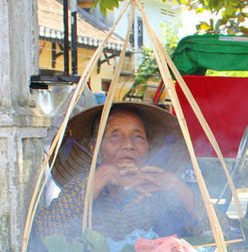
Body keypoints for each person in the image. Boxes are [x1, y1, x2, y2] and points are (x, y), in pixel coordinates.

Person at [35, 102, 208, 242]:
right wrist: (101, 178)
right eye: (115, 136)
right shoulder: (83, 185)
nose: (128, 145)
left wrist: (179, 188)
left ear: (148, 147)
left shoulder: (160, 191)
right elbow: (43, 234)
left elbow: (219, 234)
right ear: (95, 149)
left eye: (138, 137)